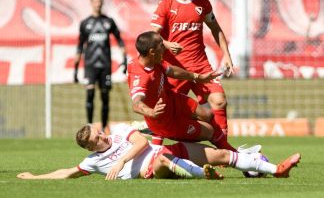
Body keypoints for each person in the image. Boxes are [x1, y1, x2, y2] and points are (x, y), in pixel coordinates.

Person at [16, 124, 301, 180]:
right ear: (90, 147)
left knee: (224, 156)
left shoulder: (119, 132)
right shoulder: (92, 161)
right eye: (96, 138)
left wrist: (122, 161)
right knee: (163, 161)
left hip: (167, 148)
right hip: (156, 166)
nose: (102, 135)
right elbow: (67, 173)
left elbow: (140, 142)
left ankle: (271, 168)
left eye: (98, 131)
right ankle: (205, 176)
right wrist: (33, 178)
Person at [151, 0, 234, 143]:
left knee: (219, 101)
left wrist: (227, 55)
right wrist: (166, 44)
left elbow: (216, 28)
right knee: (164, 110)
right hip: (175, 69)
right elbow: (152, 35)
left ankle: (225, 150)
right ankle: (153, 154)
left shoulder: (202, 2)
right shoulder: (167, 3)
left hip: (200, 64)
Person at [128, 31, 236, 151]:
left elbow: (171, 71)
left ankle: (231, 154)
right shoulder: (141, 76)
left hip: (172, 99)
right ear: (152, 51)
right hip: (165, 120)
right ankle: (232, 154)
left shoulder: (154, 60)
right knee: (209, 131)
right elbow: (136, 103)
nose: (165, 48)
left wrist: (198, 77)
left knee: (208, 115)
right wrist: (151, 112)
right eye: (161, 45)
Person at [74, 0, 127, 134]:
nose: (98, 4)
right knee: (90, 94)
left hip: (105, 65)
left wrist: (124, 58)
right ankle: (89, 126)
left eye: (100, 1)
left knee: (105, 97)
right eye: (95, 1)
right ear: (91, 3)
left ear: (102, 3)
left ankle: (104, 127)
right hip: (90, 65)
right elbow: (80, 45)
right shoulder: (85, 23)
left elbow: (119, 39)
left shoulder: (108, 21)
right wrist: (76, 68)